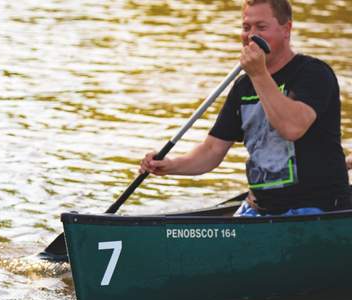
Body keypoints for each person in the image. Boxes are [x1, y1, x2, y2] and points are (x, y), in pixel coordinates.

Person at [140, 0, 350, 215]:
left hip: (318, 208)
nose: (251, 36)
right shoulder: (243, 85)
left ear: (286, 29)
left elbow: (292, 127)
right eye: (246, 27)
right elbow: (212, 150)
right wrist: (171, 165)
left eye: (261, 27)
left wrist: (259, 74)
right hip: (260, 209)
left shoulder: (314, 73)